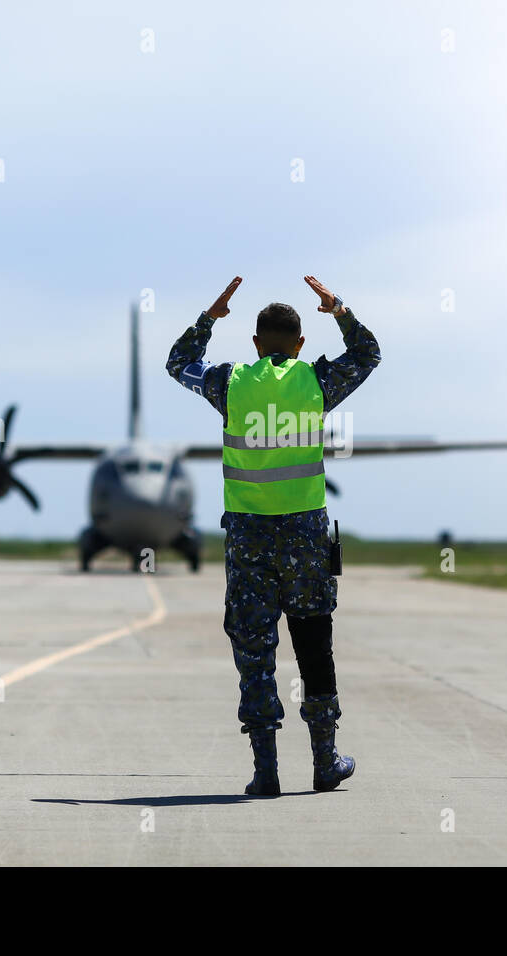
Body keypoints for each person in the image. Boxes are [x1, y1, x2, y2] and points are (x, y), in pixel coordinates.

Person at [166, 275, 381, 795]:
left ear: (256, 343)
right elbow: (368, 353)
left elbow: (178, 364)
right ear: (301, 343)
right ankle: (325, 761)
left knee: (254, 650)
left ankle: (265, 772)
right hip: (306, 536)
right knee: (314, 642)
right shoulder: (315, 381)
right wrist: (341, 310)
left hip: (248, 539)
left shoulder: (231, 382)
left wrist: (208, 318)